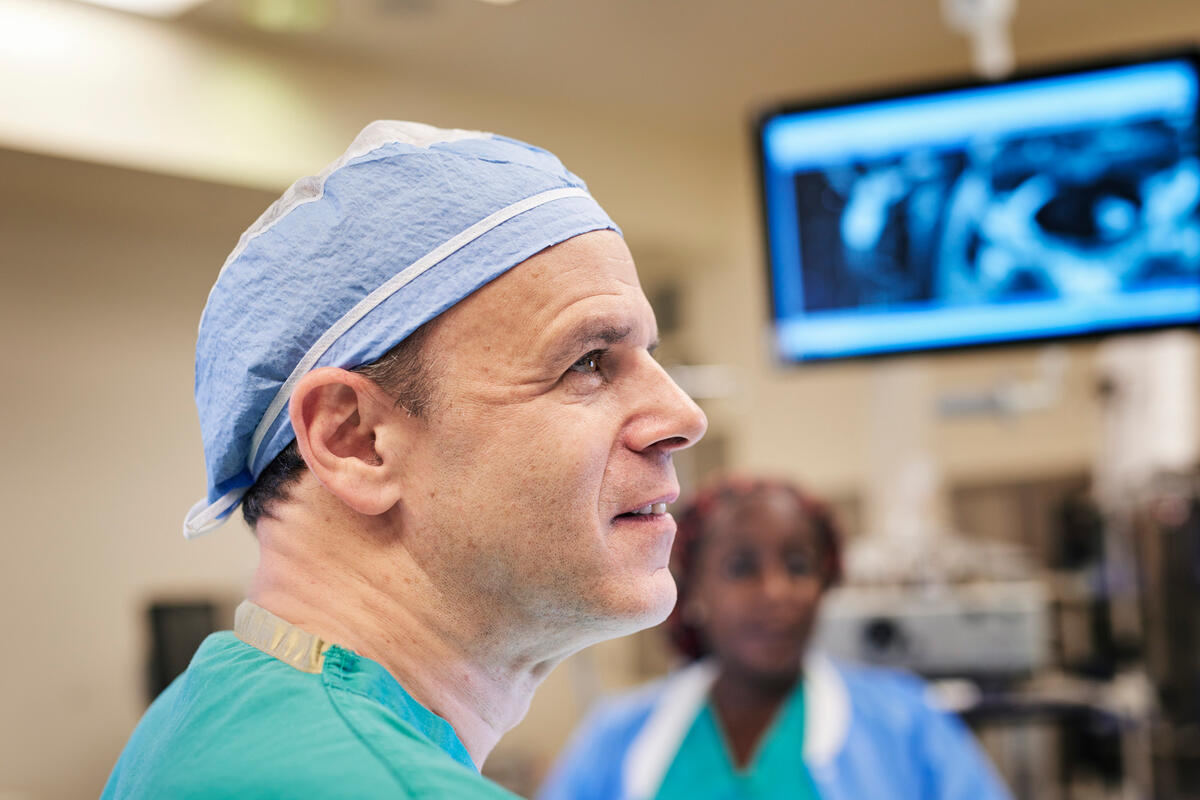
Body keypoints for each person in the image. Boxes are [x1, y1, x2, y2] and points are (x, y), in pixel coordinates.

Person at [102, 120, 707, 798]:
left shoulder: (208, 716)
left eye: (651, 355)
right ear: (354, 441)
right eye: (588, 362)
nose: (685, 417)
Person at [538, 477, 1013, 800]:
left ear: (826, 582)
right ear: (695, 588)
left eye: (798, 566)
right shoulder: (616, 737)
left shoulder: (906, 724)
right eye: (741, 568)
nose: (776, 592)